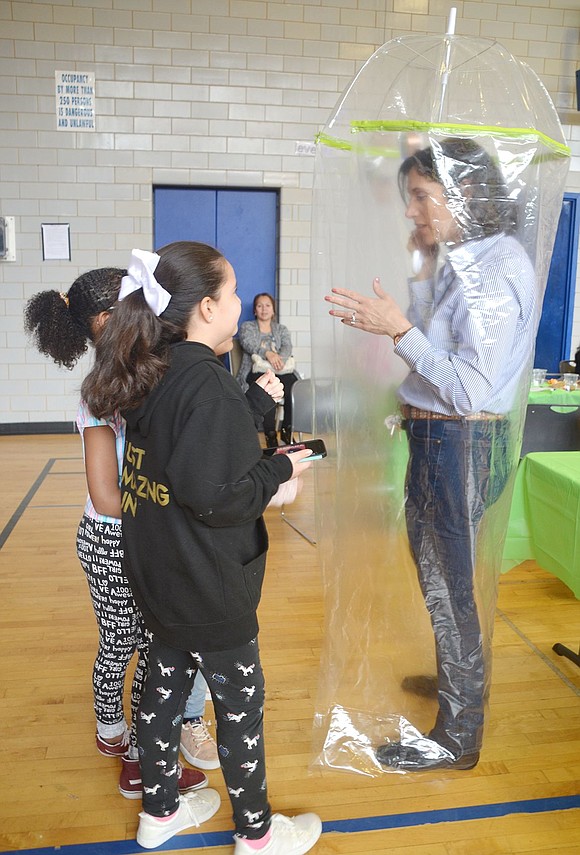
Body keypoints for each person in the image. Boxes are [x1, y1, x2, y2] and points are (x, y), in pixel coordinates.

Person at [81, 243, 322, 853]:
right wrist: (279, 471)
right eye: (235, 292)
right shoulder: (206, 386)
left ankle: (159, 813)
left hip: (159, 576)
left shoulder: (148, 373)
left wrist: (251, 409)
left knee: (161, 696)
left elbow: (186, 457)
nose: (242, 304)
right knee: (240, 711)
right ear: (208, 307)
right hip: (209, 584)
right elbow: (219, 497)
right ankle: (259, 836)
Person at [325, 138, 536, 771]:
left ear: (464, 192)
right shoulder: (463, 259)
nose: (412, 212)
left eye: (421, 196)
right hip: (439, 438)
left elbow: (470, 385)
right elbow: (435, 338)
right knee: (440, 579)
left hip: (460, 440)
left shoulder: (496, 268)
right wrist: (419, 274)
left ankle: (459, 734)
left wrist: (400, 330)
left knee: (452, 588)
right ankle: (458, 686)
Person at [23, 270, 208, 798]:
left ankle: (129, 738)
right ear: (107, 322)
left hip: (143, 534)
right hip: (111, 539)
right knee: (125, 642)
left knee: (147, 643)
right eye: (137, 307)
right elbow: (106, 497)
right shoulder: (99, 396)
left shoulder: (149, 378)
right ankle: (131, 753)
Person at [237, 293, 298, 448]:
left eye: (267, 305)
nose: (264, 309)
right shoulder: (247, 327)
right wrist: (268, 354)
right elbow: (248, 343)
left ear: (273, 310)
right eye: (259, 306)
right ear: (255, 311)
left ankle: (287, 431)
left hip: (281, 369)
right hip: (256, 370)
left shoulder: (281, 329)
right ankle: (270, 435)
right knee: (267, 388)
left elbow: (287, 347)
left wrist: (279, 360)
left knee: (293, 385)